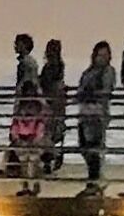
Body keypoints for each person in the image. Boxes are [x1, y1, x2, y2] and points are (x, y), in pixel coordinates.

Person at [73, 36, 114, 187]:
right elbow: (81, 90)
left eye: (105, 55)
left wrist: (89, 94)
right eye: (99, 55)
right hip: (84, 113)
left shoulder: (108, 71)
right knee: (84, 146)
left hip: (97, 114)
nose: (101, 58)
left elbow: (105, 91)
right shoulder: (88, 72)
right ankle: (95, 178)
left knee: (93, 147)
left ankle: (94, 180)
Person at [0, 32, 38, 175]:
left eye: (18, 44)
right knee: (19, 136)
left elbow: (27, 83)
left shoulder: (26, 63)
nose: (15, 46)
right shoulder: (29, 62)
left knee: (17, 135)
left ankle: (13, 167)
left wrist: (22, 99)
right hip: (26, 102)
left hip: (25, 103)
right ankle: (12, 166)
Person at [39, 36, 68, 175]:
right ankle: (50, 160)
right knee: (50, 135)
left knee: (47, 135)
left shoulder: (53, 67)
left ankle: (50, 160)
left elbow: (48, 83)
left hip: (51, 105)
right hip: (55, 105)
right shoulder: (58, 66)